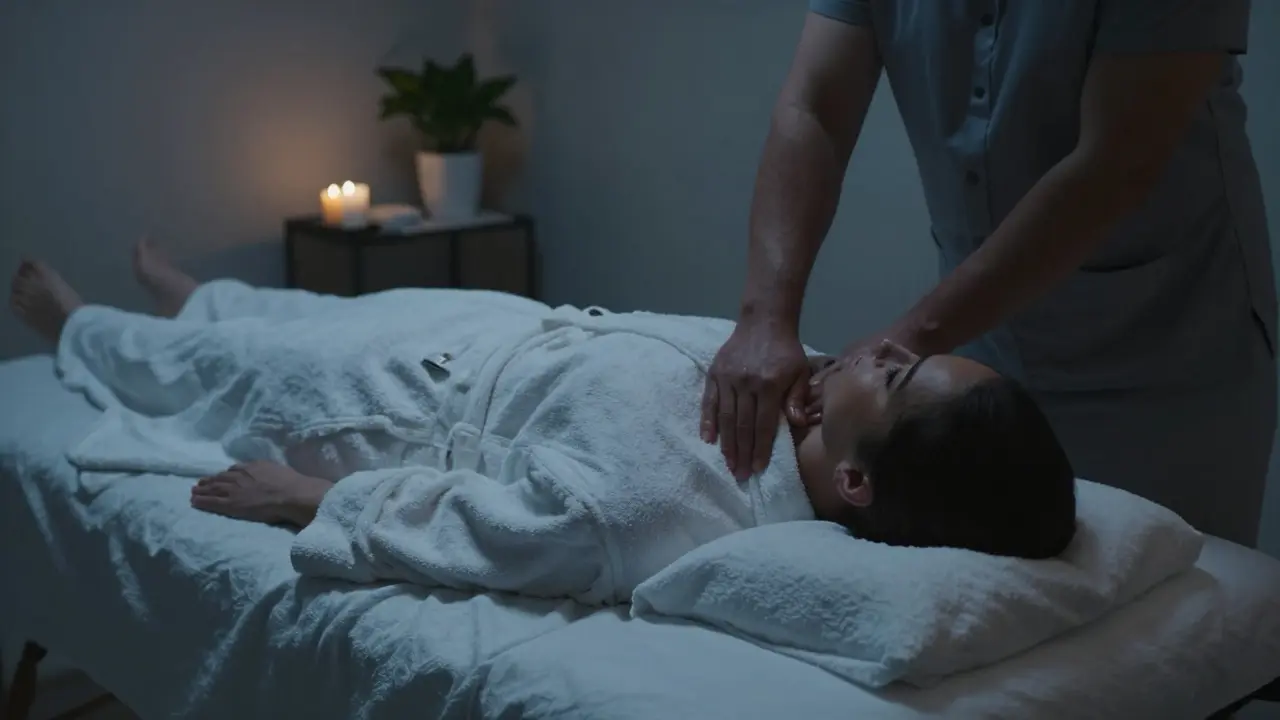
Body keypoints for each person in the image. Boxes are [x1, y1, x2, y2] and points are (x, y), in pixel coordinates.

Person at [11, 245, 1075, 601]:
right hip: (491, 329)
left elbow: (492, 530)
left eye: (893, 380)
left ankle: (83, 333)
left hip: (401, 406)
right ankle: (204, 294)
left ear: (853, 482)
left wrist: (321, 499)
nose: (883, 349)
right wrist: (806, 380)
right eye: (908, 354)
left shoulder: (658, 509)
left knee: (236, 369)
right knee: (317, 312)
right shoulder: (791, 384)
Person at [703, 0, 1275, 548]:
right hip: (974, 350)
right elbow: (816, 110)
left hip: (1164, 347)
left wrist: (901, 346)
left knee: (1169, 614)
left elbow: (1117, 161)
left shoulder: (902, 362)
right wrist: (764, 319)